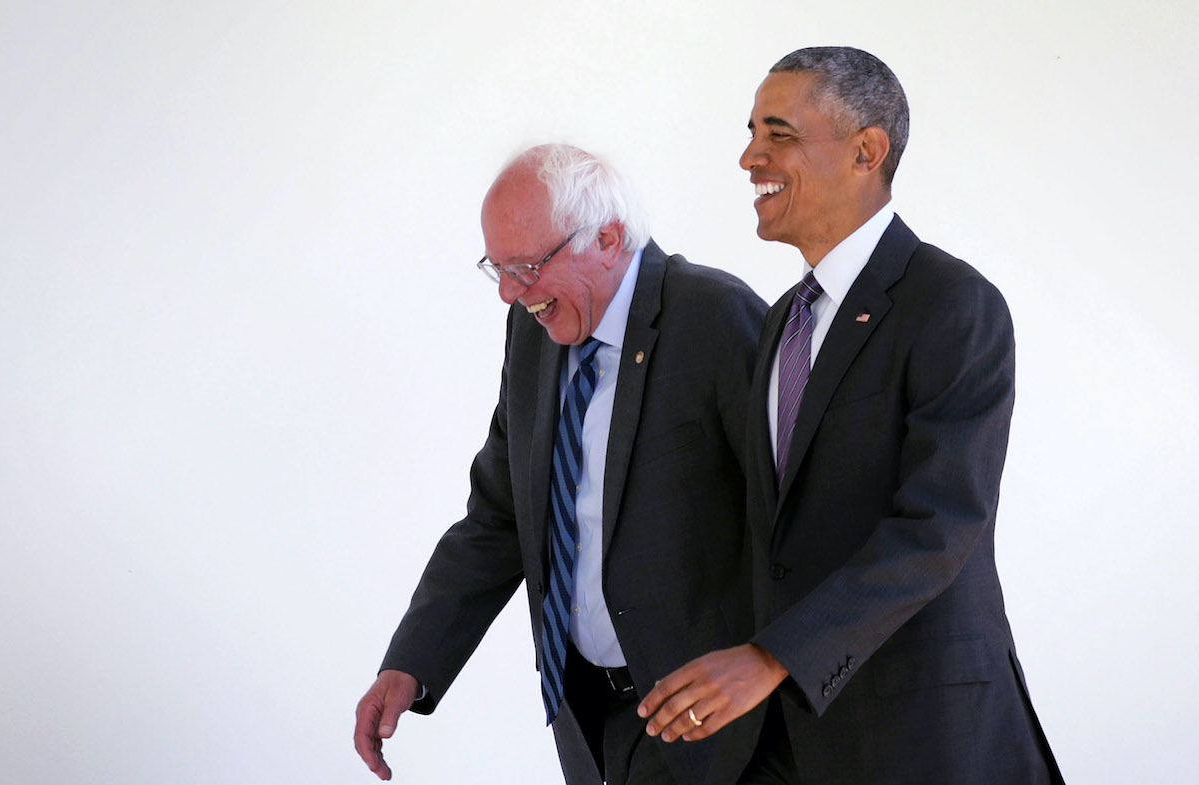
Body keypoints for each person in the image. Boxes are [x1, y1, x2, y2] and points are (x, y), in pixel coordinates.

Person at [637, 47, 1065, 784]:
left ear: (869, 149)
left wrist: (772, 656)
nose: (749, 157)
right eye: (749, 132)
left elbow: (939, 526)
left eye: (779, 134)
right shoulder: (780, 324)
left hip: (927, 734)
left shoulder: (951, 303)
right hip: (796, 740)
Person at [353, 143, 768, 785]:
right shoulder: (536, 332)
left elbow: (792, 518)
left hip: (717, 733)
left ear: (607, 237)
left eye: (525, 267)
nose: (512, 295)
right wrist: (412, 662)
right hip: (593, 717)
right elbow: (498, 515)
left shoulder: (715, 316)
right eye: (498, 270)